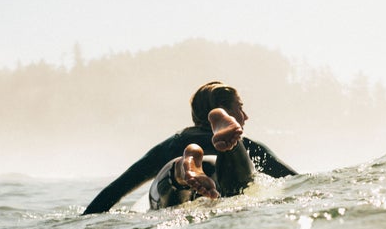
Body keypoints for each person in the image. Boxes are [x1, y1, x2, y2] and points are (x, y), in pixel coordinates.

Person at [82, 81, 297, 214]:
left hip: (175, 185)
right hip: (221, 183)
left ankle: (187, 165)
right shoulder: (248, 144)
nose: (245, 116)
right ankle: (224, 153)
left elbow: (114, 191)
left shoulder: (172, 144)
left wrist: (85, 223)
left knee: (176, 173)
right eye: (239, 108)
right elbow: (296, 181)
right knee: (237, 176)